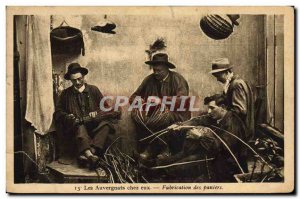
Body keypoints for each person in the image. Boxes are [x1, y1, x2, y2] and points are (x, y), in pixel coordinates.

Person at [157, 94, 248, 182]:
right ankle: (156, 164)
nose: (209, 111)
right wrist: (179, 126)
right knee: (181, 155)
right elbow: (199, 120)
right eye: (208, 108)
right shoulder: (217, 117)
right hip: (214, 155)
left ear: (223, 107)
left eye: (212, 108)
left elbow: (221, 147)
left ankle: (160, 171)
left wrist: (200, 136)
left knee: (185, 163)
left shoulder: (233, 123)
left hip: (227, 164)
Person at [54, 63, 116, 170]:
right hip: (76, 131)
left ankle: (89, 154)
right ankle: (90, 156)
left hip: (94, 128)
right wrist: (67, 117)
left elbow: (106, 108)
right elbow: (58, 113)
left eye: (79, 79)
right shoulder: (65, 94)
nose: (77, 82)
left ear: (84, 76)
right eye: (74, 80)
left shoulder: (94, 90)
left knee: (106, 125)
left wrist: (96, 112)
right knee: (79, 125)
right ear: (70, 80)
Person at [130, 53, 190, 161]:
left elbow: (182, 102)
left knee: (162, 117)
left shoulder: (177, 79)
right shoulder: (149, 80)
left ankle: (160, 149)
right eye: (154, 70)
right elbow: (133, 97)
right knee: (137, 115)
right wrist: (139, 101)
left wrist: (161, 101)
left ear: (167, 69)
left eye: (159, 70)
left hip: (178, 115)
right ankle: (149, 150)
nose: (156, 73)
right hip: (154, 115)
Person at [209, 58, 255, 141]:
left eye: (218, 76)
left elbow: (240, 111)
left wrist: (221, 114)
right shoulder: (232, 84)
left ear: (226, 72)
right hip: (236, 128)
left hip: (241, 131)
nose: (217, 79)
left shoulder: (236, 85)